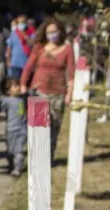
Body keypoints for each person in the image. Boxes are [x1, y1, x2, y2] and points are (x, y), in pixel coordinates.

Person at [20, 18, 75, 162]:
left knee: (53, 127)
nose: (52, 35)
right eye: (49, 32)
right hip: (39, 90)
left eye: (55, 32)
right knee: (39, 126)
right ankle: (36, 157)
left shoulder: (67, 49)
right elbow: (28, 67)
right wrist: (23, 84)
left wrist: (69, 93)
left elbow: (71, 73)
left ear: (60, 32)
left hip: (58, 92)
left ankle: (48, 157)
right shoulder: (39, 48)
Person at [1, 77, 28, 176]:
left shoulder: (22, 99)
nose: (18, 88)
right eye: (15, 86)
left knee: (19, 149)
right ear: (8, 91)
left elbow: (22, 112)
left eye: (18, 86)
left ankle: (18, 168)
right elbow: (2, 109)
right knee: (11, 151)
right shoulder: (7, 101)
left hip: (22, 128)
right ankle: (11, 164)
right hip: (11, 129)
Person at [7, 13, 34, 78]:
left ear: (26, 23)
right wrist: (8, 60)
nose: (21, 24)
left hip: (27, 64)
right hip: (15, 64)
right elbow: (9, 48)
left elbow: (33, 45)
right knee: (16, 85)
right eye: (19, 23)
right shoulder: (13, 33)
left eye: (23, 22)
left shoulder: (31, 32)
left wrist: (27, 37)